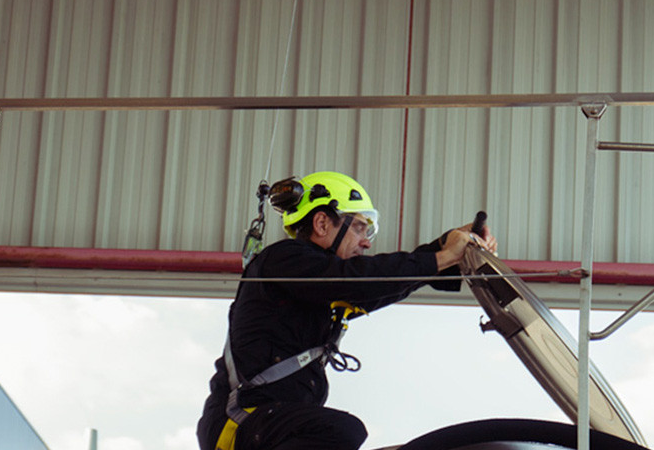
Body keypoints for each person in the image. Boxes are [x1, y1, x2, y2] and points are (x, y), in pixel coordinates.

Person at [196, 170, 496, 450]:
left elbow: (383, 284)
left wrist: (446, 247)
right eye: (359, 227)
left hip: (268, 424)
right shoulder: (285, 261)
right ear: (322, 223)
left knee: (341, 431)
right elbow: (358, 279)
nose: (366, 242)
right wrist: (443, 258)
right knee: (343, 431)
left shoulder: (314, 288)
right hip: (243, 421)